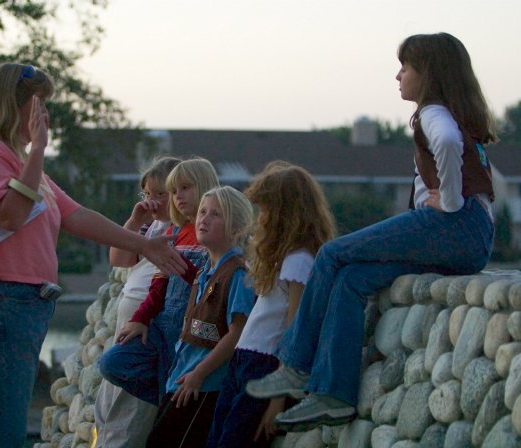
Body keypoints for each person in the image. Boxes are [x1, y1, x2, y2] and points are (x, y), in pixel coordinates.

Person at [246, 32, 496, 432]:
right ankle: (336, 395)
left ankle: (295, 365)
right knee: (349, 279)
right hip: (470, 238)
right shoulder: (457, 114)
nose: (398, 76)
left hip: (453, 225)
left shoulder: (433, 113)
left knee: (331, 255)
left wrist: (449, 202)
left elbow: (447, 144)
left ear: (427, 73)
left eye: (405, 67)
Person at [0, 63, 185, 448]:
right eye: (40, 106)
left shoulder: (16, 161)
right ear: (15, 105)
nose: (46, 117)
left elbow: (76, 215)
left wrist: (144, 244)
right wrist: (38, 148)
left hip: (15, 305)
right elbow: (8, 215)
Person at [207, 163, 336, 447]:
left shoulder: (299, 261)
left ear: (285, 214)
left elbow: (294, 333)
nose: (260, 218)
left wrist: (276, 402)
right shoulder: (282, 257)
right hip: (244, 360)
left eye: (266, 211)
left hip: (264, 365)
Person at [98, 158, 219, 408]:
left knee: (179, 398)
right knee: (111, 364)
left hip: (192, 330)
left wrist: (183, 268)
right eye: (174, 191)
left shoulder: (213, 233)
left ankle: (173, 402)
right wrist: (141, 318)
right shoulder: (165, 232)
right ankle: (167, 398)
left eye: (183, 189)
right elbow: (157, 284)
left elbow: (216, 286)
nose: (178, 197)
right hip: (162, 326)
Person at [146, 186, 256, 447]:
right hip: (181, 379)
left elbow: (237, 332)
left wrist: (198, 374)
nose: (203, 219)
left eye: (215, 215)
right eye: (203, 212)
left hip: (205, 386)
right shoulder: (204, 271)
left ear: (236, 229)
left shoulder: (237, 274)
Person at [94, 155, 181, 448]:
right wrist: (135, 221)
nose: (152, 201)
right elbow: (119, 258)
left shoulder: (178, 231)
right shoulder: (150, 228)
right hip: (127, 321)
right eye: (147, 194)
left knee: (130, 409)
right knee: (109, 402)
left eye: (160, 194)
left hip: (148, 323)